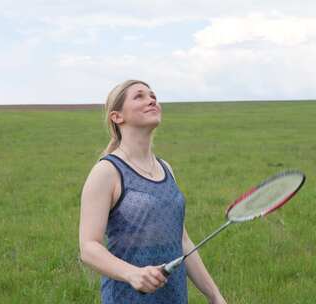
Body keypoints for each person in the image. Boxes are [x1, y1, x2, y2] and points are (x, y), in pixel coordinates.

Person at [79, 80, 227, 303]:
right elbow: (89, 247)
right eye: (139, 96)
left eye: (153, 96)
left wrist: (215, 296)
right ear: (117, 117)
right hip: (127, 297)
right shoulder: (107, 172)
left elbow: (183, 242)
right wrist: (133, 274)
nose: (151, 100)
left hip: (174, 295)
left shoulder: (166, 168)